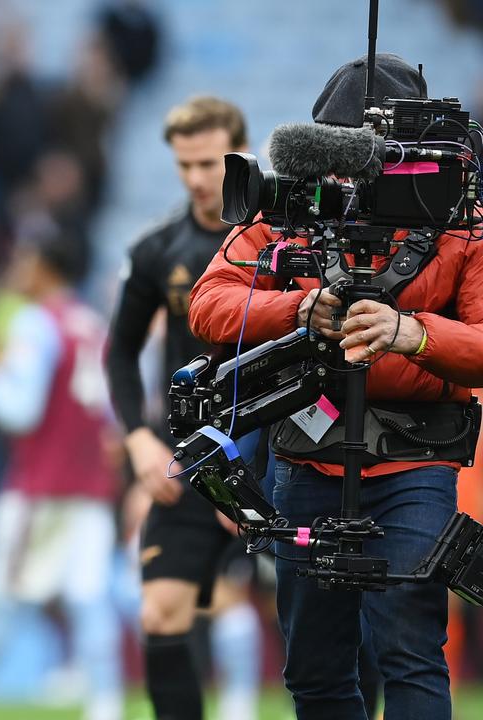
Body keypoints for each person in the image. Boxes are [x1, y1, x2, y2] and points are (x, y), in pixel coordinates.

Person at [188, 53, 483, 720]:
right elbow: (208, 303)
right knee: (314, 666)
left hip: (416, 460)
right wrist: (295, 308)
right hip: (307, 454)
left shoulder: (465, 225)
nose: (349, 177)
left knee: (410, 649)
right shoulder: (294, 207)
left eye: (367, 158)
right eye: (335, 153)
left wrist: (414, 333)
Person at [104, 96, 262, 720]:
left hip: (280, 459)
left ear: (240, 151)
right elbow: (118, 354)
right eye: (184, 165)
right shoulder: (155, 250)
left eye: (209, 163)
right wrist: (141, 440)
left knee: (327, 616)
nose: (198, 178)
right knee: (159, 612)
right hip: (191, 461)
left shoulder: (282, 246)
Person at [0, 225, 124, 720]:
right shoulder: (91, 324)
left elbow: (19, 413)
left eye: (26, 258)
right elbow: (112, 414)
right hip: (89, 487)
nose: (18, 268)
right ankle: (105, 704)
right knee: (91, 597)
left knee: (2, 597)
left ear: (46, 267)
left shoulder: (33, 323)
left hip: (39, 486)